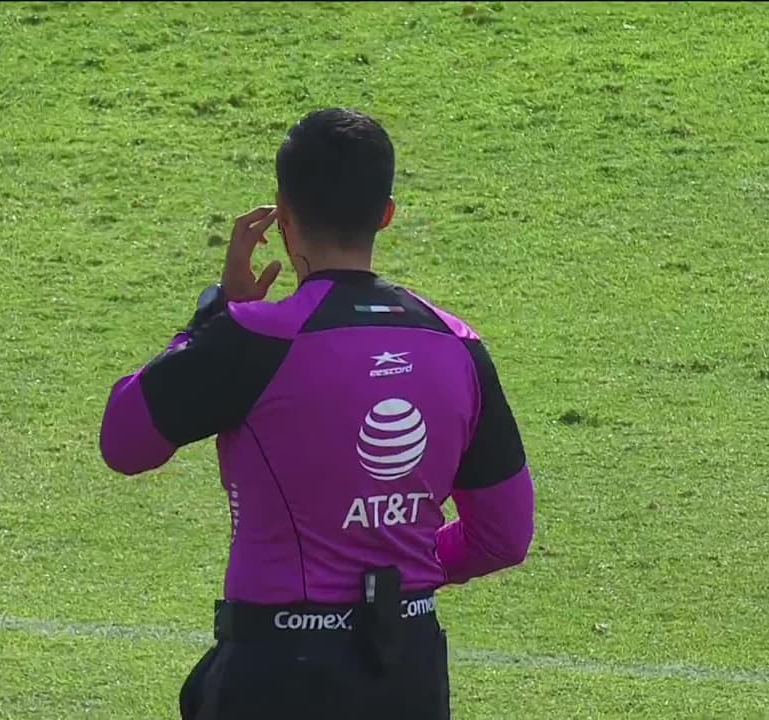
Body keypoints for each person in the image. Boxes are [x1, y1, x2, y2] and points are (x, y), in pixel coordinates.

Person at [99, 108, 535, 720]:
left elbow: (124, 440)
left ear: (282, 213)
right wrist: (401, 562)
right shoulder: (457, 345)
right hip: (407, 670)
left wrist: (210, 317)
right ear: (386, 213)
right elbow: (505, 536)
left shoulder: (253, 338)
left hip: (277, 675)